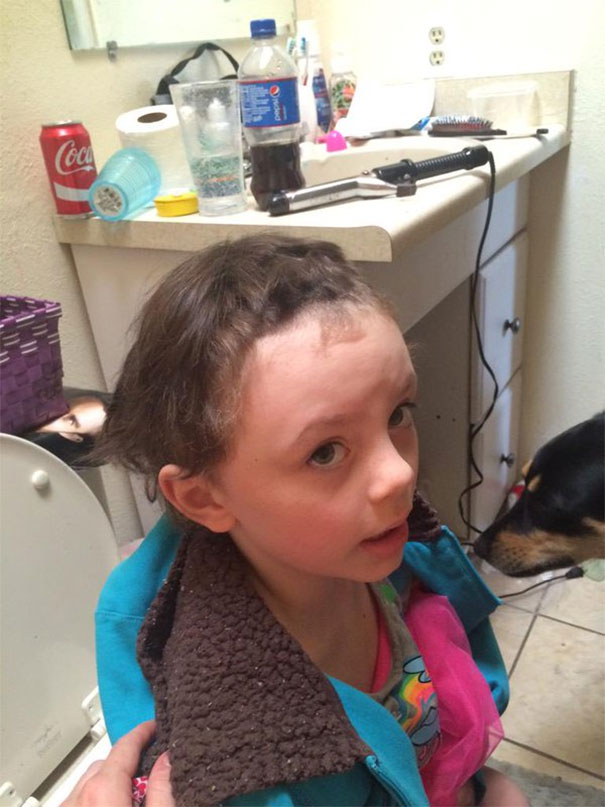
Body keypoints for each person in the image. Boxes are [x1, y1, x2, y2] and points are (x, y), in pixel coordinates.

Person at [94, 235, 528, 806]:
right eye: (325, 452)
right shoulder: (225, 741)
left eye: (398, 413)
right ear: (204, 499)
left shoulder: (391, 554)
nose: (398, 475)